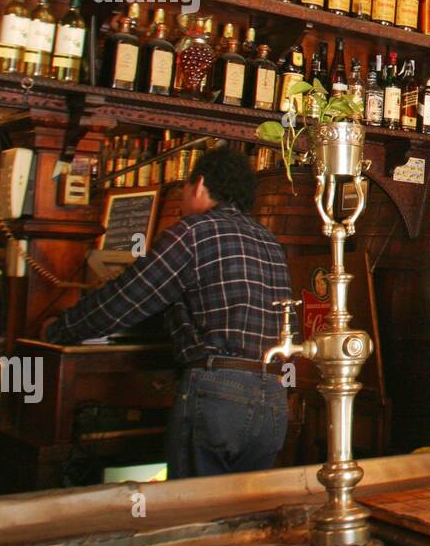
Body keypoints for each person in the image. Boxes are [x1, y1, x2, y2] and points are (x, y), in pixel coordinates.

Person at [46, 146, 292, 479]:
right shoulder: (269, 240)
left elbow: (127, 298)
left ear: (200, 185)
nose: (181, 200)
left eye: (184, 189)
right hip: (275, 397)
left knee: (194, 515)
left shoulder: (192, 232)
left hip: (218, 393)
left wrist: (60, 329)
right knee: (243, 515)